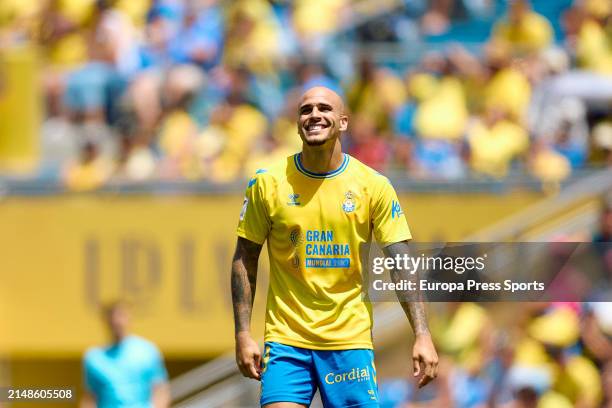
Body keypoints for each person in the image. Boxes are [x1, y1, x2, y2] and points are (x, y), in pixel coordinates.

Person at [231, 86, 438, 407]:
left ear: (343, 122)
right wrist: (243, 334)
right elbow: (245, 258)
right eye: (306, 109)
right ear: (297, 123)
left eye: (324, 108)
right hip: (286, 340)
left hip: (349, 341)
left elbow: (402, 263)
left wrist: (422, 333)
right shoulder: (267, 183)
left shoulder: (373, 186)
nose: (314, 115)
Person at [80, 301, 170, 408]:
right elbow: (90, 397)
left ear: (129, 318)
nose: (117, 321)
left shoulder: (147, 351)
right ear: (106, 321)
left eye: (121, 315)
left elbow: (160, 391)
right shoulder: (94, 358)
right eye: (113, 317)